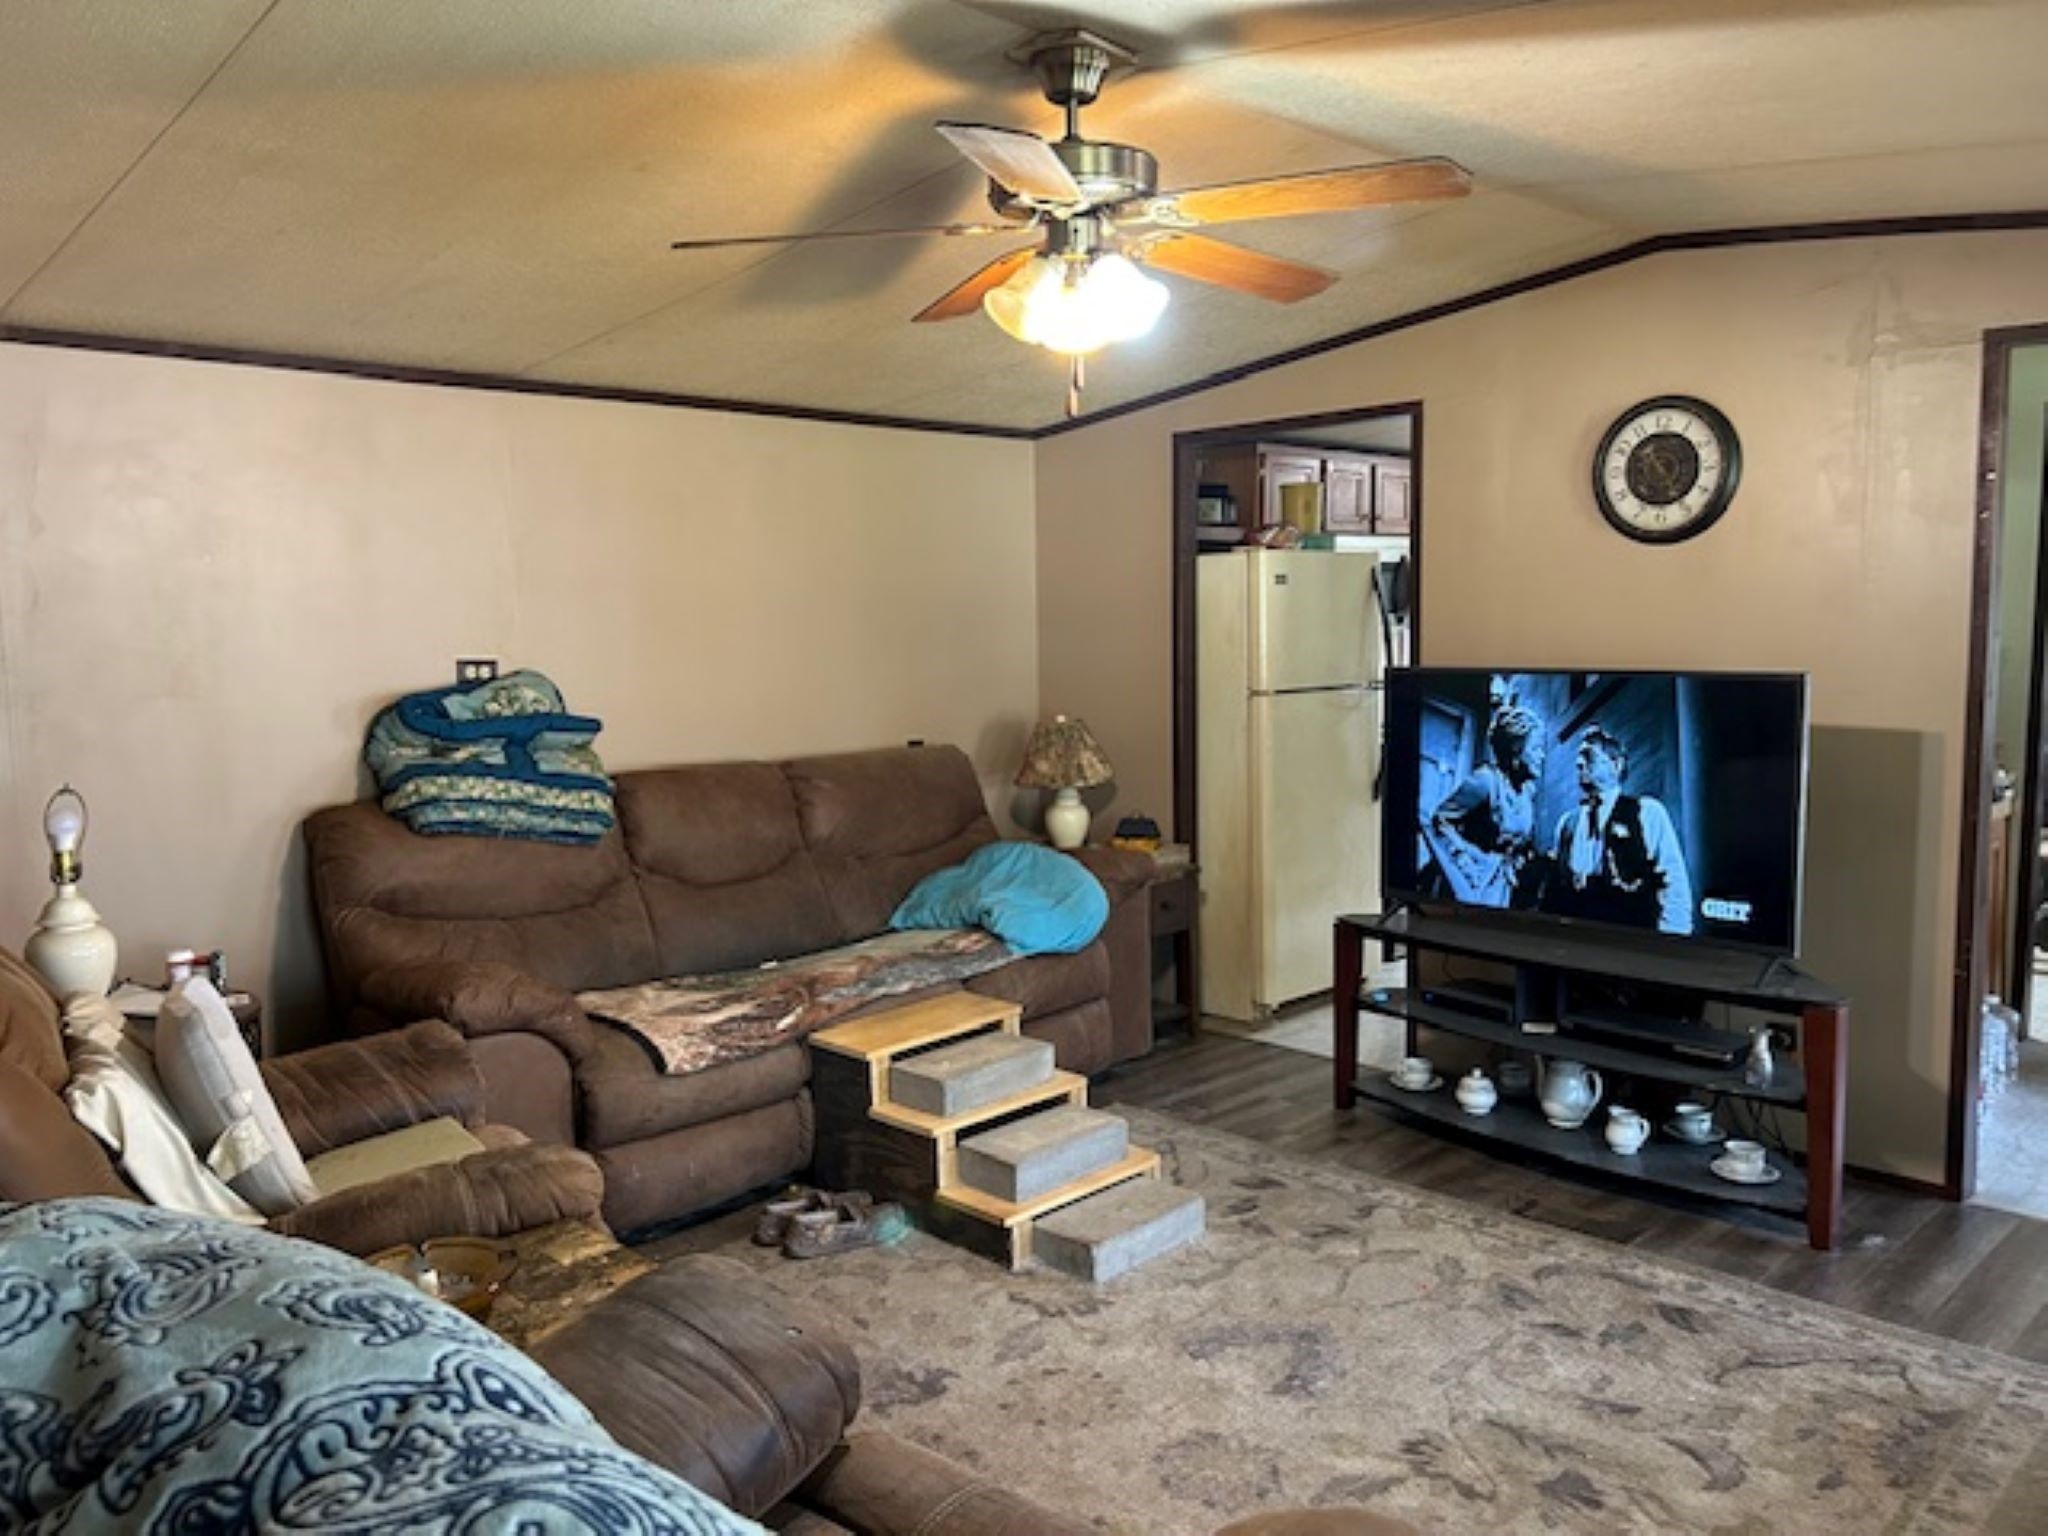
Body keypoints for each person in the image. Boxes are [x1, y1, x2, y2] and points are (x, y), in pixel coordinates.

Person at [1547, 726, 1695, 933]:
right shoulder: (1567, 824)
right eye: (1579, 759)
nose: (1579, 764)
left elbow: (1672, 881)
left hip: (1630, 938)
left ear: (1616, 765)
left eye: (1589, 757)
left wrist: (1673, 940)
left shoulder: (1646, 812)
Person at [1421, 699, 1548, 910]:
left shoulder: (1527, 793)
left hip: (1501, 886)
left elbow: (1519, 843)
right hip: (1469, 884)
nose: (1542, 756)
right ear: (1516, 748)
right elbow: (1440, 821)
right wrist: (1466, 862)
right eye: (1536, 748)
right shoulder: (1485, 781)